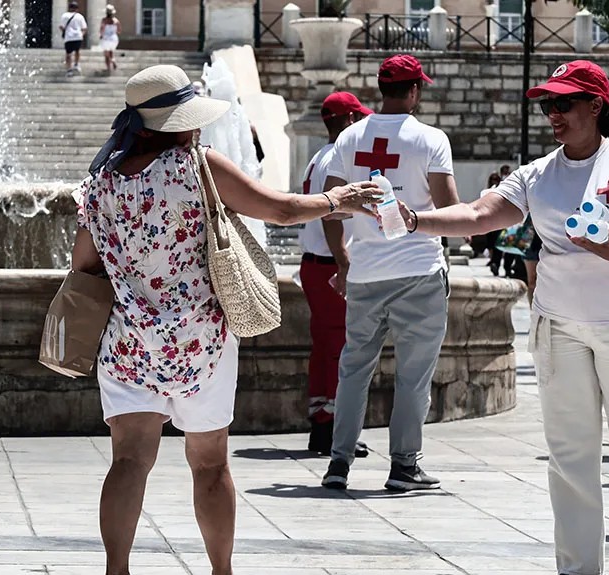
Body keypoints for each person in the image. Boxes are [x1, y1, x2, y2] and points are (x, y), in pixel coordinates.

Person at [72, 65, 380, 575]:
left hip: (127, 342)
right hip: (201, 341)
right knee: (210, 462)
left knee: (128, 461)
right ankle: (221, 571)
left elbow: (83, 265)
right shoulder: (198, 166)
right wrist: (336, 200)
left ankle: (116, 570)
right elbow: (279, 211)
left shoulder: (100, 182)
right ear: (178, 121)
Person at [392, 60, 609, 575]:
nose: (553, 114)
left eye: (564, 103)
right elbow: (479, 215)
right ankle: (578, 569)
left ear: (596, 105)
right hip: (559, 327)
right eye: (548, 105)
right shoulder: (538, 173)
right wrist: (415, 219)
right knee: (570, 460)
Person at [320, 54, 460, 492]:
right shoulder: (431, 139)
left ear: (382, 89)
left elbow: (328, 208)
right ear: (415, 91)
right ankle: (403, 466)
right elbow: (451, 210)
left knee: (354, 369)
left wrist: (343, 262)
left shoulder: (350, 138)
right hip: (418, 269)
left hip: (365, 273)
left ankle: (338, 463)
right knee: (412, 375)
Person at [298, 91, 374, 456]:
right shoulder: (338, 161)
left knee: (325, 347)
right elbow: (332, 217)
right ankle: (332, 427)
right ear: (346, 122)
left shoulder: (318, 157)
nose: (361, 124)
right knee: (340, 349)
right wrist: (344, 264)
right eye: (357, 118)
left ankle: (321, 422)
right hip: (331, 265)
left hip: (315, 264)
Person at [59, 1, 87, 77]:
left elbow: (61, 26)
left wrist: (65, 32)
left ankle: (69, 69)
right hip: (78, 37)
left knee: (68, 54)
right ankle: (76, 64)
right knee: (77, 51)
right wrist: (82, 35)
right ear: (77, 9)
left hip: (69, 37)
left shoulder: (65, 15)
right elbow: (84, 28)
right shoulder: (80, 16)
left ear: (69, 8)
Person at [99, 5, 121, 73]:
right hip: (114, 38)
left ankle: (108, 67)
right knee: (111, 52)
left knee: (106, 55)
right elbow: (119, 31)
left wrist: (101, 35)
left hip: (106, 38)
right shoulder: (116, 21)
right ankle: (113, 60)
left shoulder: (104, 20)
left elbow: (102, 29)